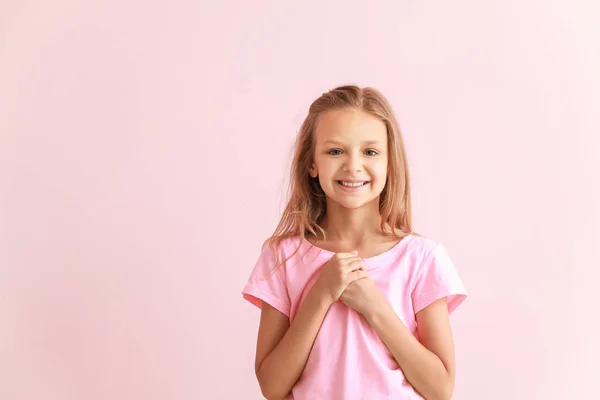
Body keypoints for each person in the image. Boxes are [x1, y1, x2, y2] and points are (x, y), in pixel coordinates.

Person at [241, 85, 468, 400]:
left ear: (390, 163)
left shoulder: (421, 258)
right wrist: (320, 295)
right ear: (312, 163)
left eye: (370, 151)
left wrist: (374, 306)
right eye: (335, 151)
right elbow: (271, 386)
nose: (352, 165)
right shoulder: (283, 256)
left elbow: (440, 388)